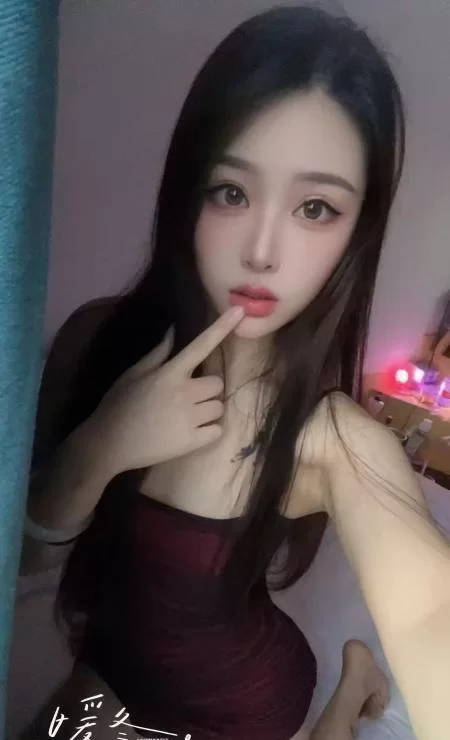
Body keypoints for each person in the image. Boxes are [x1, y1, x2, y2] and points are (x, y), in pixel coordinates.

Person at [21, 5, 450, 740]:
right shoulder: (97, 340)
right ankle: (354, 681)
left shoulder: (333, 439)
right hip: (114, 672)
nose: (262, 251)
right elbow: (26, 557)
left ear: (356, 233)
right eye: (232, 192)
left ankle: (351, 684)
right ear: (188, 188)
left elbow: (429, 613)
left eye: (315, 208)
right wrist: (102, 446)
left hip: (242, 697)